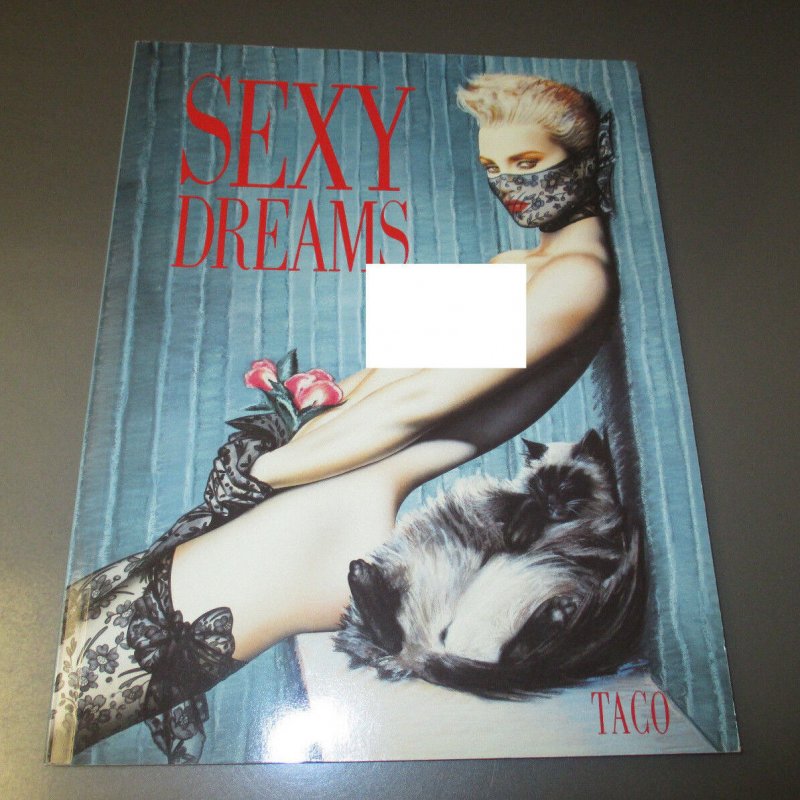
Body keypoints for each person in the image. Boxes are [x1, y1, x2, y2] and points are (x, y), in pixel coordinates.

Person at [48, 73, 618, 764]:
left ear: (584, 156)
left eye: (528, 163)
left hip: (325, 523)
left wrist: (266, 469)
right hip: (316, 502)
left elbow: (409, 411)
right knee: (66, 645)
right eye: (493, 167)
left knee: (66, 687)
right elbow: (378, 377)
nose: (510, 185)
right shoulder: (515, 263)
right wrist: (281, 433)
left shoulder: (580, 278)